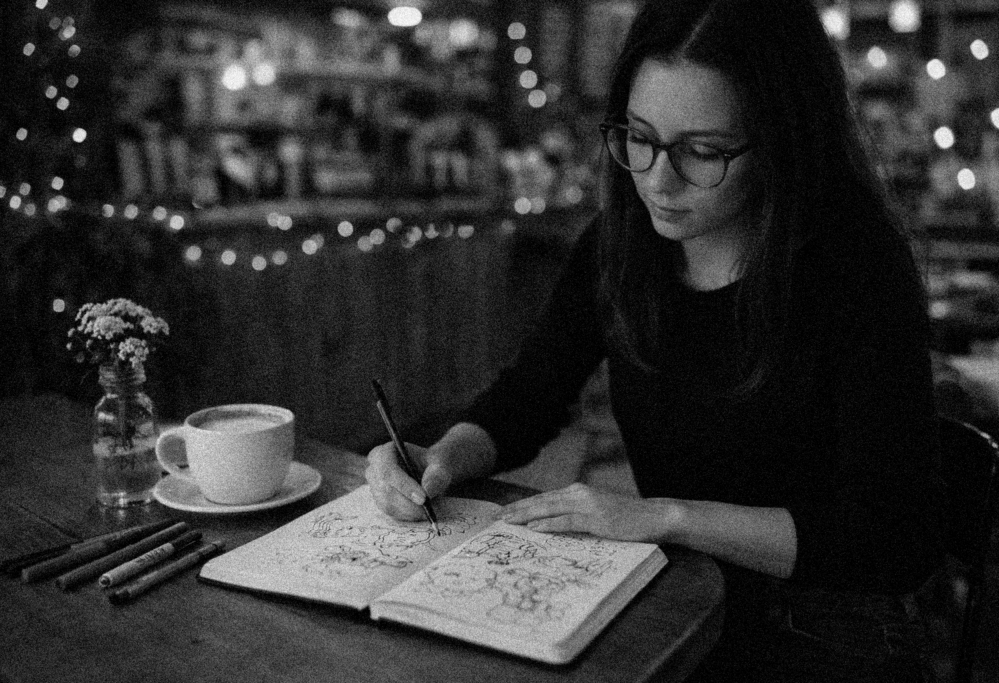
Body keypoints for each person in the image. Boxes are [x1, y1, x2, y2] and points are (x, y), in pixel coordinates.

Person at [366, 0, 944, 680]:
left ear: (784, 138)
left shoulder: (856, 267)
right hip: (678, 592)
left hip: (831, 624)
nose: (657, 180)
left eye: (702, 151)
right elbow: (529, 394)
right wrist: (440, 455)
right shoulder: (620, 247)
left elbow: (893, 537)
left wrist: (666, 516)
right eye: (638, 136)